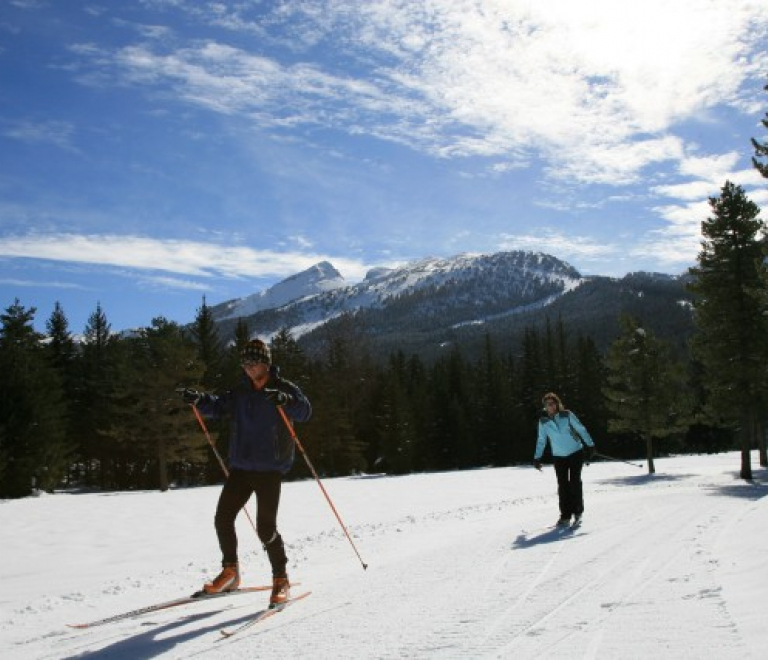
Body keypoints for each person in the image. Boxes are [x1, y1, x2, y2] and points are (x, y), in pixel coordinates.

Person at [178, 338, 311, 607]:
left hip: (270, 468)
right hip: (241, 466)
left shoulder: (283, 388)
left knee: (266, 528)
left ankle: (281, 579)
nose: (249, 368)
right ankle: (230, 573)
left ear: (266, 362)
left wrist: (285, 401)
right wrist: (200, 400)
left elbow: (305, 411)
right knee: (222, 519)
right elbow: (217, 406)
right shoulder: (240, 392)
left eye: (254, 362)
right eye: (245, 363)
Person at [533, 392, 596, 527]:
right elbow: (541, 440)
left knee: (574, 482)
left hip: (575, 452)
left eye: (553, 403)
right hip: (559, 456)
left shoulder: (566, 415)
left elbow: (580, 429)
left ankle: (578, 512)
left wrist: (590, 445)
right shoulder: (543, 422)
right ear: (545, 406)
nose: (551, 406)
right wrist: (537, 457)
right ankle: (565, 515)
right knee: (563, 486)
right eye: (548, 404)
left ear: (557, 403)